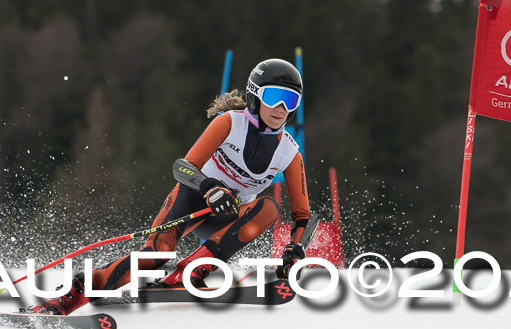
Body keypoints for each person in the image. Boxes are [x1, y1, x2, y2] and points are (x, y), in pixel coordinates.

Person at [27, 58, 311, 315]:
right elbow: (183, 167)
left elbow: (302, 214)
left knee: (268, 208)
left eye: (291, 100)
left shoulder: (289, 152)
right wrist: (210, 188)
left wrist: (295, 248)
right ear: (255, 95)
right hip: (193, 200)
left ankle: (191, 270)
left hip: (228, 216)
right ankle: (71, 297)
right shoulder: (229, 123)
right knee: (156, 255)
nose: (281, 108)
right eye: (275, 97)